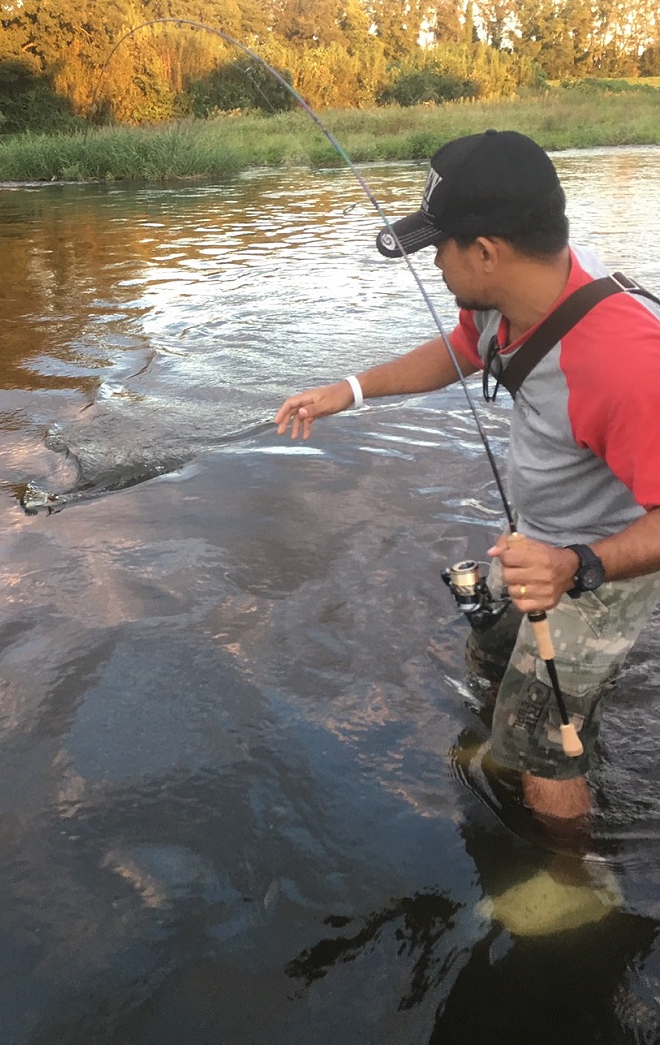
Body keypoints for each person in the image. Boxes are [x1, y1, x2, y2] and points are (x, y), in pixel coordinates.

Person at [275, 129, 660, 822]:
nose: (433, 265)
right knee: (486, 646)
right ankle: (510, 731)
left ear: (484, 251)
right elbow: (463, 347)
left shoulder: (625, 363)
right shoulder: (501, 299)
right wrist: (349, 391)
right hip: (535, 541)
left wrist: (574, 565)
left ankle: (570, 902)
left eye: (437, 247)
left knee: (541, 750)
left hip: (598, 566)